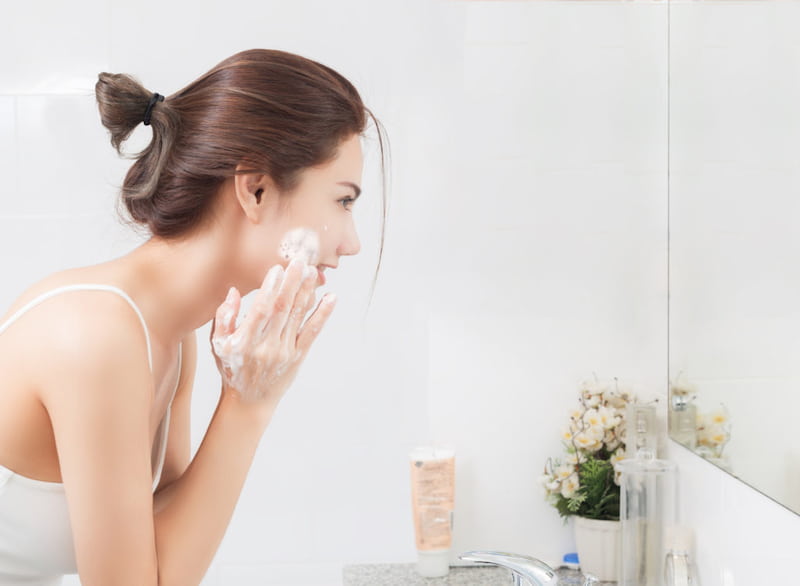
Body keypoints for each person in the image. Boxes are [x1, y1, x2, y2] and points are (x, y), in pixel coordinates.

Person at [0, 48, 387, 586]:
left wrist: (249, 397)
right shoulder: (96, 335)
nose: (352, 243)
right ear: (255, 189)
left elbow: (163, 553)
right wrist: (248, 406)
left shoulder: (168, 335)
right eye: (343, 201)